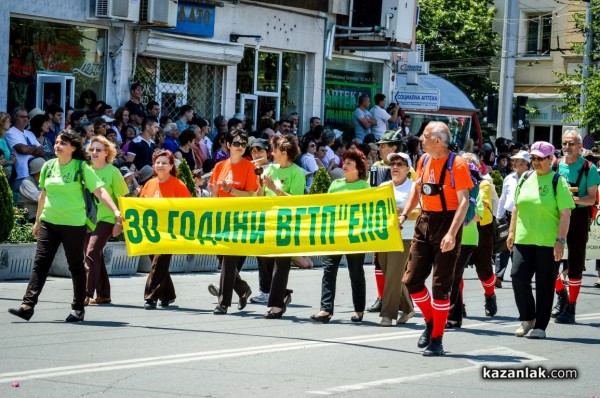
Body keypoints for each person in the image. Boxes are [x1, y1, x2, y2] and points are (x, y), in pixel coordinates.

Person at [8, 130, 122, 322]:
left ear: (73, 148)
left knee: (75, 266)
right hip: (49, 223)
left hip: (73, 224)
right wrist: (37, 221)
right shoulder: (48, 166)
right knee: (40, 265)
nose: (57, 146)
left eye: (63, 143)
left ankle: (78, 308)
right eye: (57, 142)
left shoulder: (82, 167)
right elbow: (43, 195)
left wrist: (116, 213)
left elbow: (99, 191)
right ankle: (27, 306)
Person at [399, 121, 473, 356]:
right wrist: (403, 215)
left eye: (425, 136)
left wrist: (452, 233)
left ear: (437, 140)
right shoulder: (423, 160)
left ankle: (437, 339)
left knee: (441, 285)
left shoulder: (458, 164)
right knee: (411, 280)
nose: (421, 139)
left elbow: (463, 201)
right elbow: (416, 189)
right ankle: (431, 322)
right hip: (425, 220)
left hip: (448, 222)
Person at [507, 141, 574, 339]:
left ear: (550, 159)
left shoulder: (558, 181)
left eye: (540, 158)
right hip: (524, 239)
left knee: (545, 284)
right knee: (518, 276)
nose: (536, 162)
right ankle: (528, 319)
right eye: (533, 158)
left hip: (548, 242)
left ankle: (540, 326)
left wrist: (560, 240)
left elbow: (565, 213)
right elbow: (517, 207)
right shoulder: (525, 177)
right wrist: (511, 232)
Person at [310, 149, 370, 324]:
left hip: (354, 236)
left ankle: (358, 310)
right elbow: (327, 207)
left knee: (356, 272)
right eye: (344, 162)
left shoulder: (363, 187)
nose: (344, 165)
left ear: (358, 169)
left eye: (349, 163)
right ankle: (325, 309)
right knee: (329, 271)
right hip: (335, 234)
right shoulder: (335, 184)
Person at [551, 130, 600, 324]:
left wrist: (573, 200)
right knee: (548, 260)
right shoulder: (555, 165)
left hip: (578, 216)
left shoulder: (589, 168)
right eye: (564, 143)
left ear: (580, 147)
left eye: (571, 144)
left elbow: (591, 199)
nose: (567, 147)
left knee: (576, 263)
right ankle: (561, 293)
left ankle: (571, 305)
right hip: (555, 217)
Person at [208, 129, 258, 314]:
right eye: (236, 143)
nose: (240, 147)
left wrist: (231, 191)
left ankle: (223, 302)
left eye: (243, 144)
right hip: (221, 218)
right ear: (228, 145)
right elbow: (215, 193)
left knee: (229, 260)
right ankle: (242, 288)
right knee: (222, 260)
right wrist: (214, 193)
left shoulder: (248, 167)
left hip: (239, 220)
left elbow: (251, 194)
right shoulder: (220, 166)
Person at [256, 134, 306, 318]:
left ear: (284, 152)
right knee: (265, 259)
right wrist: (260, 185)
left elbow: (297, 202)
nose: (271, 152)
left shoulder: (296, 172)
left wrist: (277, 190)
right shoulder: (269, 170)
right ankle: (282, 293)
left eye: (275, 149)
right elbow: (260, 197)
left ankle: (276, 305)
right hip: (268, 221)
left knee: (281, 263)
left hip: (286, 223)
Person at [139, 150, 192, 309]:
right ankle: (168, 294)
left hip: (169, 232)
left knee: (159, 261)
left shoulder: (178, 185)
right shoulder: (149, 183)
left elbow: (189, 208)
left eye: (164, 163)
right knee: (157, 263)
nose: (160, 165)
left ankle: (150, 297)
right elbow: (141, 204)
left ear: (171, 166)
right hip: (151, 231)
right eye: (157, 162)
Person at [84, 136, 129, 306]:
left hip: (108, 218)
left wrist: (119, 222)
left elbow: (122, 198)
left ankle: (85, 293)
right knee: (95, 255)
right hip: (87, 220)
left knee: (92, 252)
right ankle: (103, 294)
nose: (94, 153)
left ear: (107, 153)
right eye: (92, 149)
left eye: (98, 150)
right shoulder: (86, 170)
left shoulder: (113, 172)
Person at [377, 152, 416, 326]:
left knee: (393, 275)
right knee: (391, 275)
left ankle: (388, 314)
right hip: (385, 236)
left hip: (404, 237)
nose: (395, 167)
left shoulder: (413, 187)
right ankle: (408, 308)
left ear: (408, 169)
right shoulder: (384, 185)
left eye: (400, 164)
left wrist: (400, 212)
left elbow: (418, 212)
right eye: (392, 163)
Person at [461, 153, 498, 317]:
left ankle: (490, 295)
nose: (466, 167)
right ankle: (458, 304)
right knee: (455, 270)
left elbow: (479, 213)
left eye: (470, 164)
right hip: (461, 229)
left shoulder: (484, 184)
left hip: (481, 229)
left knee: (484, 270)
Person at [495, 151, 531, 287]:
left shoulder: (534, 178)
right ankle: (498, 276)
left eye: (517, 160)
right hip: (509, 216)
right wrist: (499, 216)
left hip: (526, 217)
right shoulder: (509, 178)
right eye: (513, 160)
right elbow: (503, 198)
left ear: (526, 163)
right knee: (502, 246)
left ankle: (519, 274)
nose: (513, 162)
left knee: (521, 246)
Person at [5, 108, 44, 191]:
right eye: (22, 117)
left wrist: (28, 148)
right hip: (21, 174)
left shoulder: (29, 133)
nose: (25, 119)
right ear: (15, 119)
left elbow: (41, 151)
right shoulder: (10, 132)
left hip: (36, 172)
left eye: (26, 116)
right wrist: (34, 147)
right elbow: (22, 150)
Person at [18, 157, 45, 223]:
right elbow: (39, 198)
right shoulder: (27, 182)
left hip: (43, 212)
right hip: (31, 215)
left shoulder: (44, 179)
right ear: (38, 172)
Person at [0, 112, 17, 179]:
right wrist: (12, 161)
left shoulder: (2, 139)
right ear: (1, 123)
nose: (10, 124)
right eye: (8, 122)